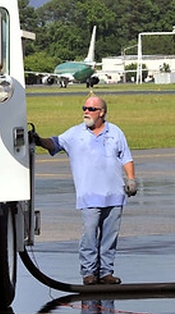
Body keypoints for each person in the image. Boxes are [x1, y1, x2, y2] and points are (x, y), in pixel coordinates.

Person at [33, 95, 137, 285]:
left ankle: (106, 272)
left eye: (91, 109)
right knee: (89, 235)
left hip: (114, 194)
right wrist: (39, 140)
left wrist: (131, 179)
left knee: (109, 236)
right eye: (84, 108)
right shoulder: (75, 134)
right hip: (89, 195)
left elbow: (126, 157)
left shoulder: (115, 132)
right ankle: (89, 272)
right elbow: (55, 143)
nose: (86, 112)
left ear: (102, 112)